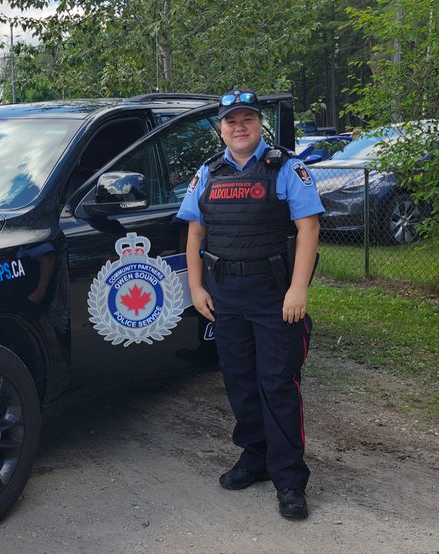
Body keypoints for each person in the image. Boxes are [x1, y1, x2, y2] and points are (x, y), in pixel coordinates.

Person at [176, 89, 324, 521]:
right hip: (225, 295)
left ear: (260, 124)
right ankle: (255, 458)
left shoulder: (285, 167)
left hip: (274, 296)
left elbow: (309, 228)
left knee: (277, 384)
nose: (239, 128)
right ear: (220, 128)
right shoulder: (208, 173)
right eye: (230, 122)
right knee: (240, 381)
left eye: (247, 120)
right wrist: (197, 289)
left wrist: (299, 289)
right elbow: (195, 236)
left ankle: (290, 479)